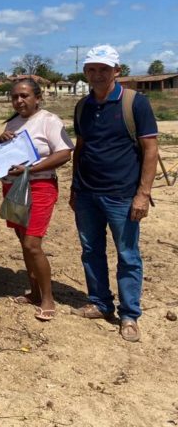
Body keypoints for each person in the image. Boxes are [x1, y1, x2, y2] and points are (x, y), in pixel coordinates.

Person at [70, 45, 158, 342]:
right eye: (92, 69)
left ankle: (130, 314)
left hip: (123, 194)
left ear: (117, 71)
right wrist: (74, 187)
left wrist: (143, 194)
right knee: (91, 250)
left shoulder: (135, 103)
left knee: (128, 255)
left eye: (104, 69)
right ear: (85, 72)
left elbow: (150, 149)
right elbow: (81, 148)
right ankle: (100, 302)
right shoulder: (83, 106)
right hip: (87, 194)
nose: (97, 74)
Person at [0, 79, 74, 322]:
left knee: (32, 243)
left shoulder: (49, 120)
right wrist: (1, 142)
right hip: (14, 186)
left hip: (40, 186)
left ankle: (47, 298)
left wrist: (32, 169)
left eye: (24, 96)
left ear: (37, 97)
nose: (19, 101)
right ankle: (35, 291)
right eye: (15, 97)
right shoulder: (12, 122)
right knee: (22, 240)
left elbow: (64, 152)